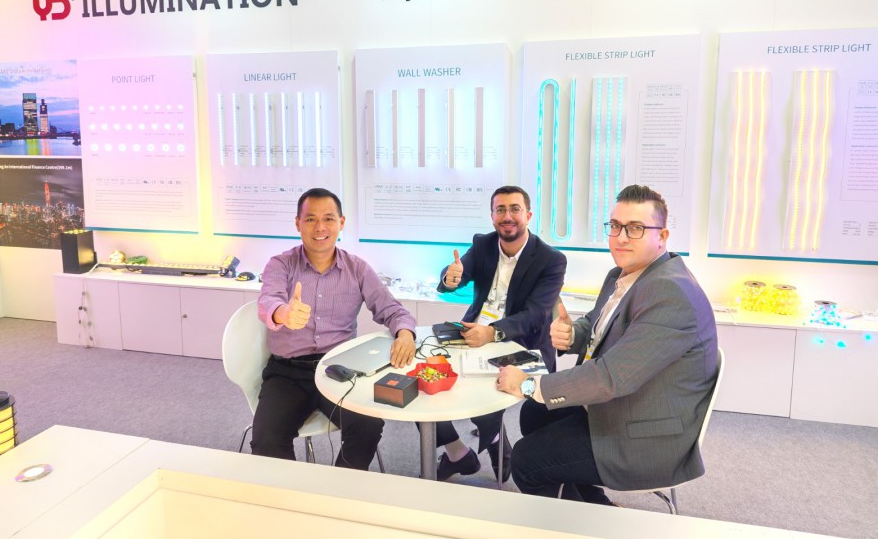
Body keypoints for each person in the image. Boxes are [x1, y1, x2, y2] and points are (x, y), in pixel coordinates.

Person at [496, 184, 718, 503]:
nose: (621, 237)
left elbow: (610, 377)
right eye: (615, 226)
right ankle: (591, 502)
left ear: (662, 236)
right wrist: (574, 335)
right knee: (534, 414)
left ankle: (583, 522)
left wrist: (527, 384)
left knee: (526, 460)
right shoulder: (623, 275)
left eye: (636, 228)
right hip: (621, 404)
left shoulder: (670, 293)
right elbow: (599, 325)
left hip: (642, 434)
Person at [254, 187, 416, 470]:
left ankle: (338, 488)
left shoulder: (357, 269)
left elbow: (392, 309)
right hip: (287, 372)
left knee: (368, 426)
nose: (320, 227)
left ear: (341, 223)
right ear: (298, 224)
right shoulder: (280, 264)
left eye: (328, 219)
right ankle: (289, 494)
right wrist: (283, 314)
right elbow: (268, 300)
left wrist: (405, 334)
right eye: (310, 219)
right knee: (267, 440)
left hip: (339, 369)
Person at [434, 185, 566, 482]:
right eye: (500, 209)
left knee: (482, 400)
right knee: (425, 383)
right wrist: (450, 278)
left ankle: (495, 441)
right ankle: (459, 452)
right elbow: (458, 272)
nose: (507, 216)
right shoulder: (483, 244)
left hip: (523, 344)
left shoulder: (551, 259)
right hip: (472, 334)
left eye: (515, 209)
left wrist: (492, 333)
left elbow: (536, 315)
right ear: (492, 216)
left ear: (528, 215)